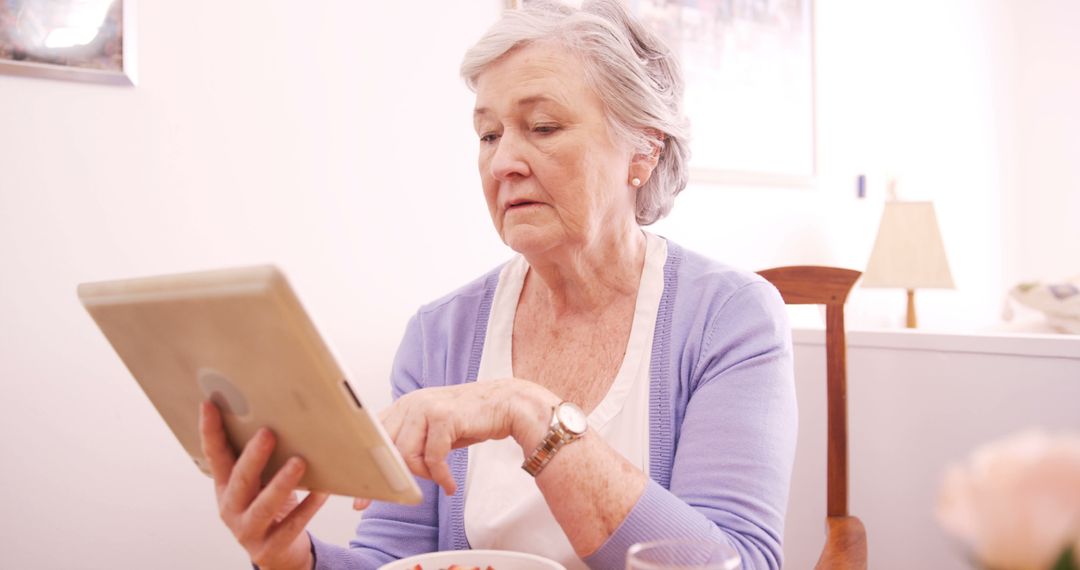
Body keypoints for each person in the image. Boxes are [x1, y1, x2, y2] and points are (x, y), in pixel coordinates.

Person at [198, 1, 797, 569]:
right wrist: (293, 557)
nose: (503, 161)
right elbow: (394, 560)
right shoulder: (440, 335)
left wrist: (528, 409)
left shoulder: (731, 317)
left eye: (542, 125)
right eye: (488, 135)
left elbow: (735, 561)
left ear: (642, 150)